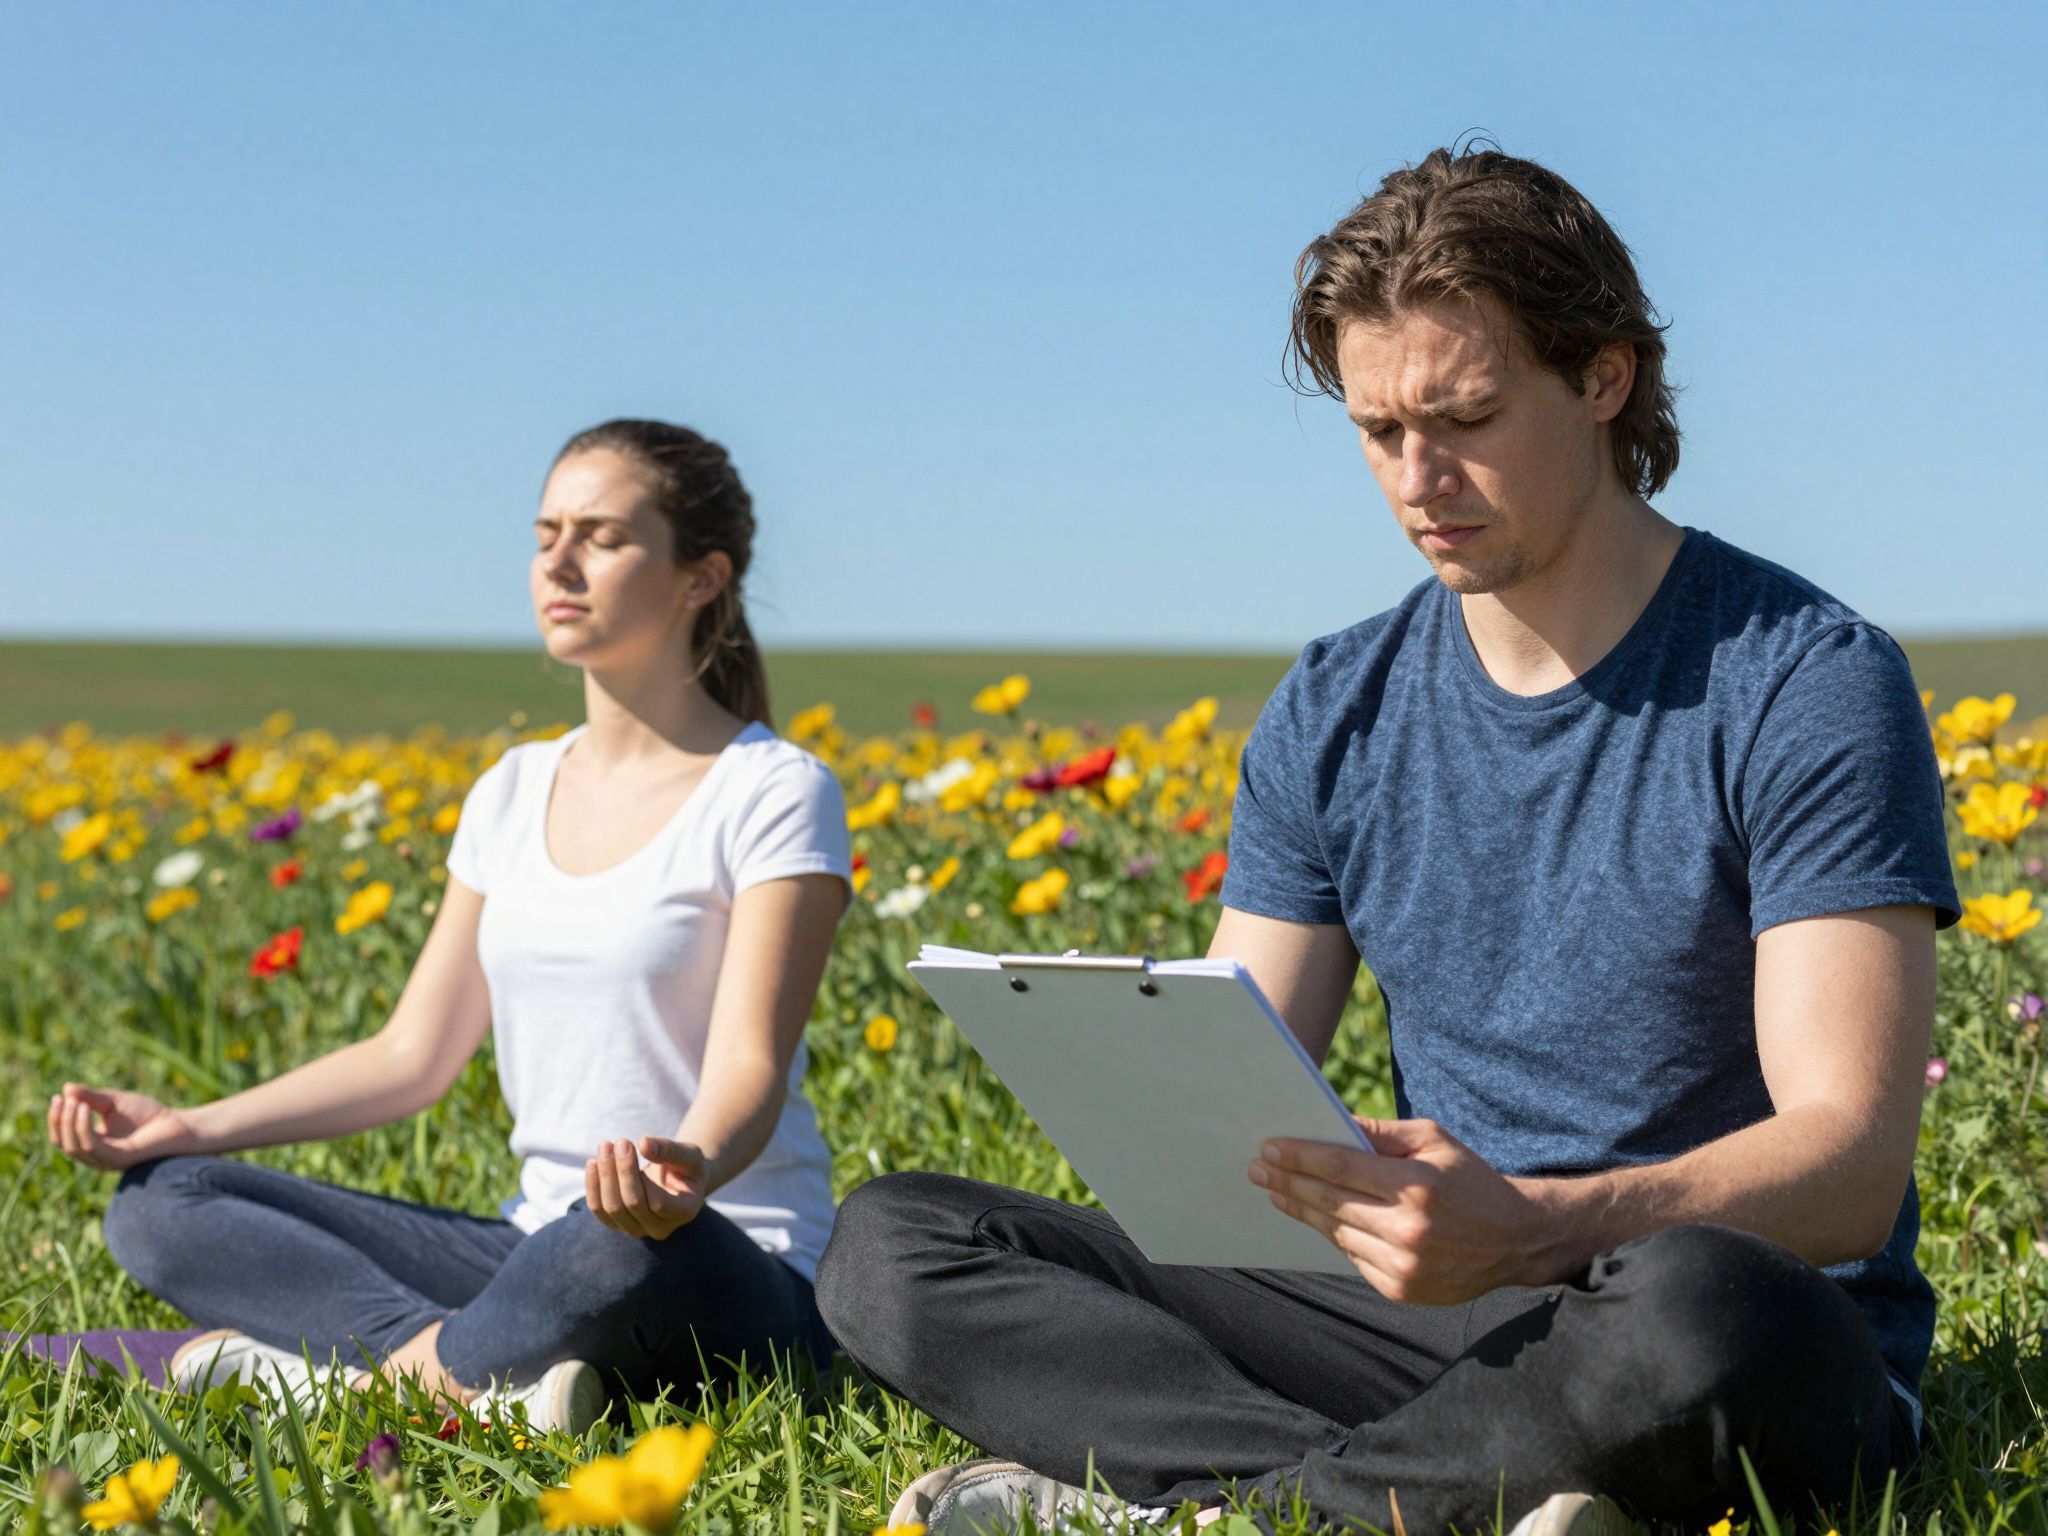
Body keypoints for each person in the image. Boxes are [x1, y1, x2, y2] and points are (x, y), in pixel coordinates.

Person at [815, 146, 1960, 1535]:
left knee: (1697, 1311)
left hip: (1711, 1313)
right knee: (897, 1245)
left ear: (1605, 378)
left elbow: (1850, 1169)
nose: (1419, 478)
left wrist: (1540, 1226)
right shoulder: (1335, 704)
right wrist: (1138, 1053)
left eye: (1466, 415)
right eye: (1376, 431)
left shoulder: (1805, 677)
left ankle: (1225, 1510)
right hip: (1435, 1311)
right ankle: (1414, 1494)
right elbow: (1233, 1127)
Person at [47, 419, 852, 1433]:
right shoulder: (510, 791)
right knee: (164, 1202)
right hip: (526, 1252)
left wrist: (681, 1171)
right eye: (545, 532)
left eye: (601, 537)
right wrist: (191, 1125)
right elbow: (412, 1054)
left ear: (700, 578)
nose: (557, 561)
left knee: (607, 1248)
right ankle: (486, 1369)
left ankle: (363, 1383)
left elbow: (749, 1073)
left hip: (708, 1252)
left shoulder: (772, 789)